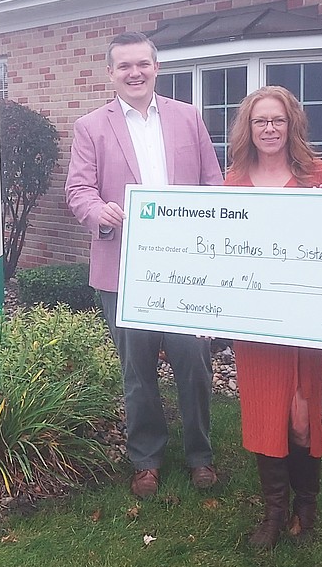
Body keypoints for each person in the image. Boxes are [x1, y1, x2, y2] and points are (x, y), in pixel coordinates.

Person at [65, 31, 224, 499]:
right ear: (110, 73)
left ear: (157, 67)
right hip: (123, 269)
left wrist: (213, 234)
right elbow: (79, 190)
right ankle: (146, 459)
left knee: (194, 362)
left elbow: (212, 182)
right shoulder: (91, 126)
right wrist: (99, 213)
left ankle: (200, 455)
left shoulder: (187, 117)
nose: (134, 73)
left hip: (184, 266)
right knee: (137, 371)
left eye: (143, 64)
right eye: (124, 66)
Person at [223, 86, 322, 547]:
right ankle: (273, 511)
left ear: (292, 126)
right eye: (260, 122)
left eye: (277, 121)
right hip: (256, 320)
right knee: (265, 410)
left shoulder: (318, 175)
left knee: (301, 414)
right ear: (247, 129)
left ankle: (305, 505)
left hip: (306, 317)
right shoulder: (233, 180)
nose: (269, 129)